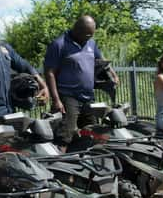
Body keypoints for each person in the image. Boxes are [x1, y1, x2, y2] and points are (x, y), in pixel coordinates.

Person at [44, 15, 116, 146]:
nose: (90, 38)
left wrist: (113, 73)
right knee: (65, 135)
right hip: (68, 97)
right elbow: (49, 73)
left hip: (88, 97)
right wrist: (56, 100)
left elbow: (101, 60)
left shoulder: (91, 43)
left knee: (92, 133)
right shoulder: (59, 44)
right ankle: (59, 163)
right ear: (77, 30)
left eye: (92, 35)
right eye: (88, 35)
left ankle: (88, 162)